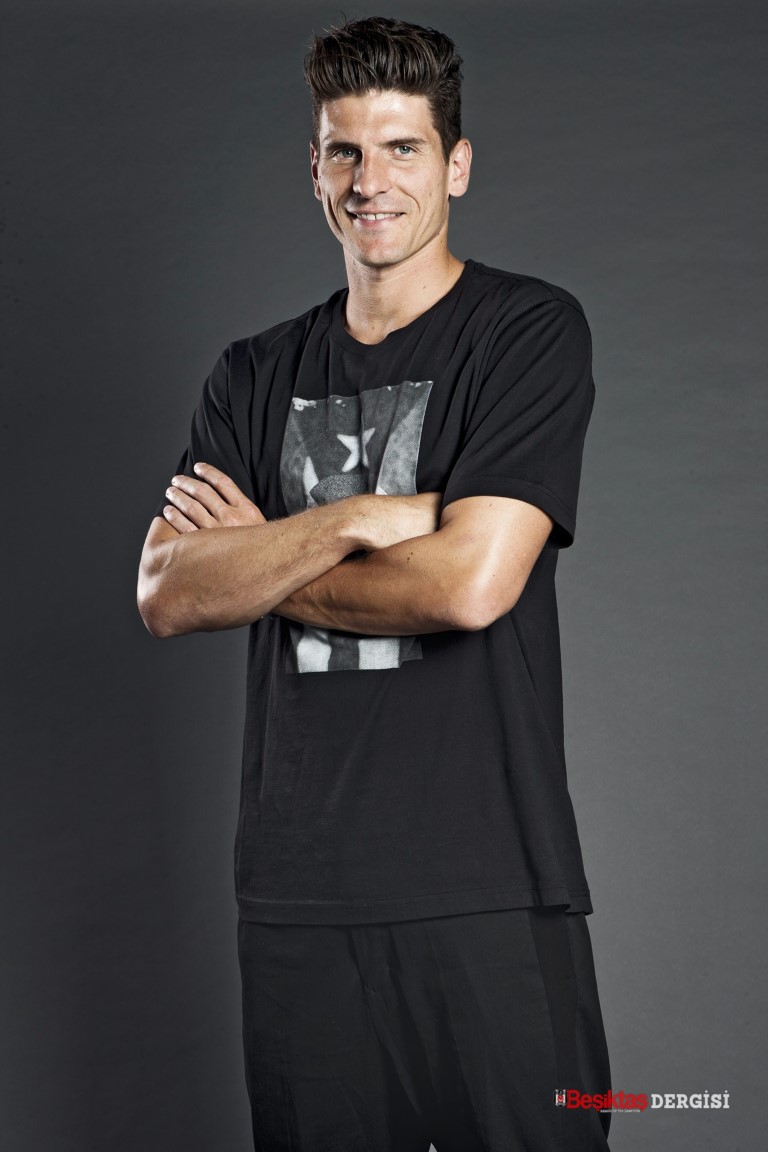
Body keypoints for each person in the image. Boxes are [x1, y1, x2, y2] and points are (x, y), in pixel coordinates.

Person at [137, 16, 612, 1152]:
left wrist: (261, 560)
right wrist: (352, 521)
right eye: (345, 151)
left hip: (490, 882)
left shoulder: (526, 331)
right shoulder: (251, 375)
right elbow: (167, 591)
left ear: (457, 164)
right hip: (297, 900)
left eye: (403, 148)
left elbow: (469, 585)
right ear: (313, 169)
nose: (371, 181)